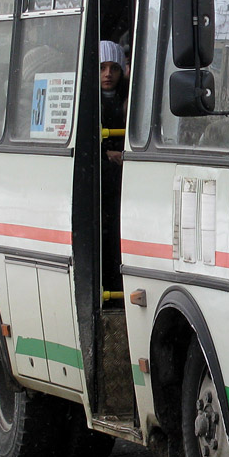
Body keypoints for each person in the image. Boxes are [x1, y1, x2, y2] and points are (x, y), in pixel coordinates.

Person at [99, 41, 127, 296]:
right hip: (101, 188)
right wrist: (104, 153)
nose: (108, 74)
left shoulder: (130, 100)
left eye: (114, 68)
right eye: (102, 67)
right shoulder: (87, 102)